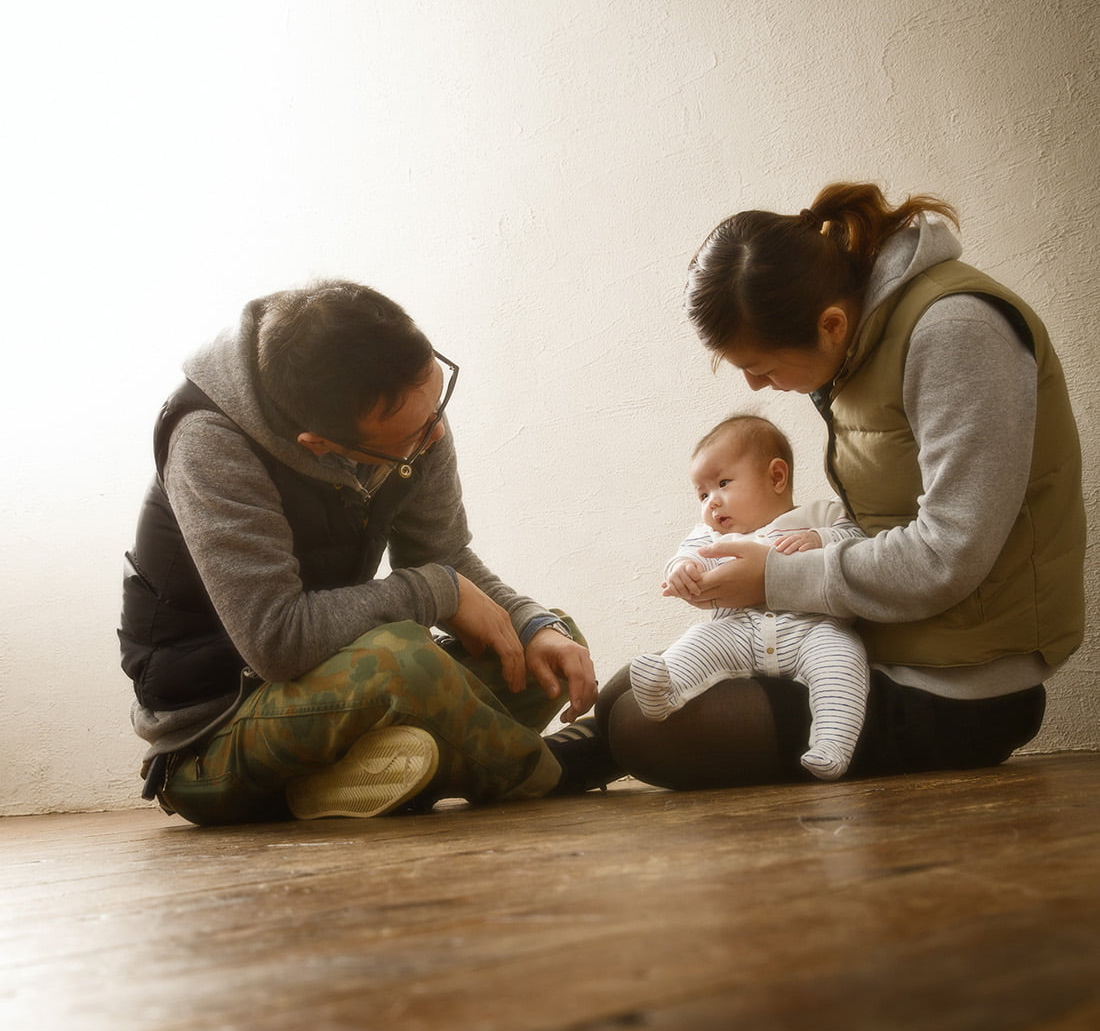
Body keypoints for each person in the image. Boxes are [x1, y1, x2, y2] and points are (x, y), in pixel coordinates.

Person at [594, 182, 1085, 789]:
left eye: (762, 366)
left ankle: (551, 765)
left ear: (829, 324)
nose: (753, 386)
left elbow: (948, 554)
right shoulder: (860, 345)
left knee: (646, 729)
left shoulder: (957, 331)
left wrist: (774, 578)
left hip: (963, 683)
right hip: (887, 646)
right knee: (625, 692)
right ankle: (549, 769)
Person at [119, 280, 601, 824]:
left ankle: (345, 783)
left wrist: (530, 623)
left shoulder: (407, 411)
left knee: (547, 646)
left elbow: (445, 556)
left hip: (332, 693)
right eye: (413, 435)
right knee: (401, 658)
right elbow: (276, 641)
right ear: (318, 444)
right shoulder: (207, 440)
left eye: (437, 403)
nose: (437, 434)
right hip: (212, 739)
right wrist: (436, 591)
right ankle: (558, 770)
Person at [629, 415, 869, 780]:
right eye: (703, 493)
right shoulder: (708, 536)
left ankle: (832, 744)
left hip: (811, 629)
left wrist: (821, 540)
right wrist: (681, 571)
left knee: (843, 657)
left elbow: (858, 542)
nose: (712, 502)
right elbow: (687, 555)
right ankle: (666, 691)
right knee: (699, 640)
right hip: (739, 630)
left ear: (776, 477)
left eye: (723, 483)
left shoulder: (820, 514)